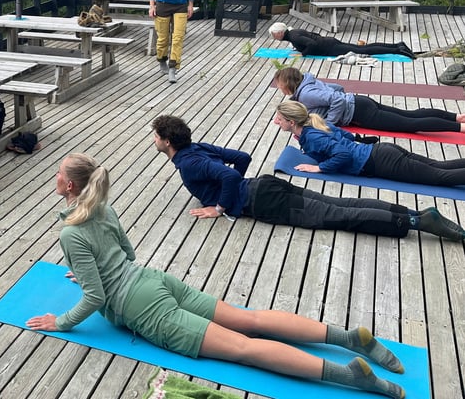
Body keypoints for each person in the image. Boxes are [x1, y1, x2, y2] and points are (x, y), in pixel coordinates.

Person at [25, 152, 407, 399]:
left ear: (69, 185)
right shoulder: (103, 208)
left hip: (142, 306)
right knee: (250, 319)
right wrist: (92, 275)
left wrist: (61, 321)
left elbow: (94, 298)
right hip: (156, 280)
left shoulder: (70, 232)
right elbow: (124, 255)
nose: (56, 176)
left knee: (244, 347)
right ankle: (349, 339)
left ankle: (350, 377)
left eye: (59, 172)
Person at [151, 114, 464, 241]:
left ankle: (417, 222)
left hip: (264, 200)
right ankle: (416, 215)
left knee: (340, 215)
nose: (153, 140)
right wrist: (233, 186)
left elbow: (228, 178)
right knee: (342, 204)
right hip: (265, 186)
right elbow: (242, 159)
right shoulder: (197, 148)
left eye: (155, 136)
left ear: (167, 141)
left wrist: (219, 207)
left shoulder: (188, 163)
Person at [274, 100, 465, 187]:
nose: (276, 122)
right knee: (438, 167)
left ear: (292, 122)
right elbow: (347, 137)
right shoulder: (315, 122)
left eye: (279, 119)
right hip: (380, 151)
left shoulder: (312, 136)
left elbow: (344, 154)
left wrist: (320, 168)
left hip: (380, 162)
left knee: (439, 177)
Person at [273, 66, 465, 133]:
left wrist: (329, 123)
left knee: (410, 123)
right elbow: (338, 89)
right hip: (360, 102)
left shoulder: (306, 94)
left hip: (361, 112)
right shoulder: (309, 83)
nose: (279, 87)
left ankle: (459, 127)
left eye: (280, 84)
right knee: (410, 114)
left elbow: (336, 100)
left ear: (288, 83)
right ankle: (456, 117)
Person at [268, 22, 416, 59]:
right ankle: (397, 45)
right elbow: (312, 34)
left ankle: (398, 50)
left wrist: (303, 54)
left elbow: (311, 44)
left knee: (363, 50)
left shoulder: (293, 36)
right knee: (364, 48)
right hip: (329, 41)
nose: (273, 37)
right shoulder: (293, 32)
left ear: (280, 33)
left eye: (274, 35)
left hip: (329, 48)